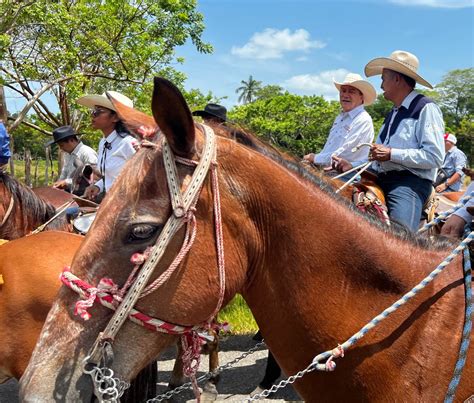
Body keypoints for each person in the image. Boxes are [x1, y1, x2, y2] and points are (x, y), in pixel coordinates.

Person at [332, 50, 445, 232]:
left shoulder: (426, 108)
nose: (381, 84)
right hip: (381, 178)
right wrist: (351, 166)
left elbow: (435, 157)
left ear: (397, 80)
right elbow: (377, 158)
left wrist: (391, 153)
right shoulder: (392, 113)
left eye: (384, 78)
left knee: (400, 238)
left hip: (409, 184)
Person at [303, 73, 376, 170]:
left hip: (347, 174)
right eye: (343, 91)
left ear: (361, 97)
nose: (345, 95)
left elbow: (345, 154)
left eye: (351, 91)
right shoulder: (340, 117)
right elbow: (329, 148)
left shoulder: (363, 119)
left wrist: (315, 158)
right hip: (328, 171)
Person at [76, 91, 136, 201]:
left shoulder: (129, 143)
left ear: (115, 118)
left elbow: (142, 178)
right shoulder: (103, 143)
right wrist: (98, 186)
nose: (93, 115)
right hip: (110, 201)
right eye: (93, 111)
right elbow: (111, 178)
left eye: (98, 112)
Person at [47, 125, 98, 194]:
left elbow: (93, 178)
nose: (61, 148)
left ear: (71, 140)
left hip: (86, 194)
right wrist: (58, 183)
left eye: (62, 145)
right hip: (70, 193)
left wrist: (66, 182)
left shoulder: (87, 153)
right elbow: (64, 173)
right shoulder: (68, 154)